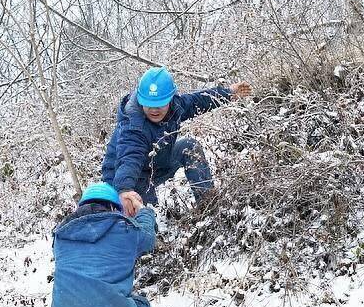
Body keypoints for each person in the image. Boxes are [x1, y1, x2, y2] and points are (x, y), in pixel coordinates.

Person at [101, 66, 252, 217]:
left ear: (170, 99)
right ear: (141, 100)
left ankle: (208, 206)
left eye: (160, 104)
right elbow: (130, 158)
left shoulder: (176, 105)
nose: (154, 110)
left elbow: (197, 101)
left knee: (189, 146)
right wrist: (124, 189)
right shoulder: (133, 126)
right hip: (126, 179)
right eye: (149, 105)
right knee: (146, 220)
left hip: (155, 161)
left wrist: (228, 93)